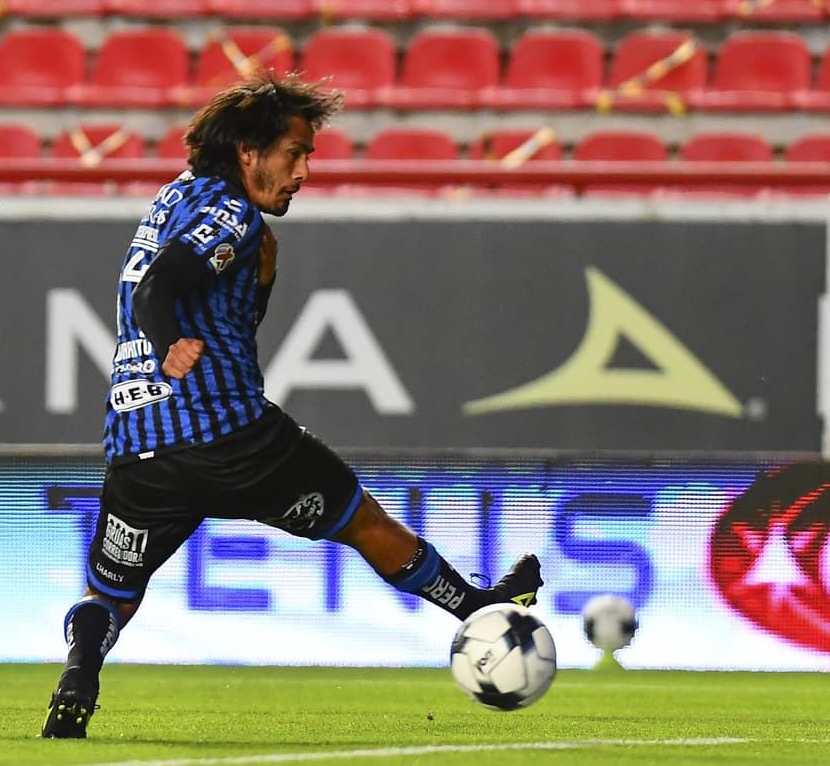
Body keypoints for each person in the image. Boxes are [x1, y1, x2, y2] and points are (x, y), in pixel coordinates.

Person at [41, 73, 543, 739]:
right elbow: (159, 289)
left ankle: (79, 676)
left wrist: (259, 280)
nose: (304, 170)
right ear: (247, 151)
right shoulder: (230, 212)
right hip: (229, 435)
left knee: (109, 593)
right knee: (361, 517)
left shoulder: (172, 199)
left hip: (138, 446)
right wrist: (172, 343)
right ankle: (477, 608)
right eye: (294, 153)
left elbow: (225, 317)